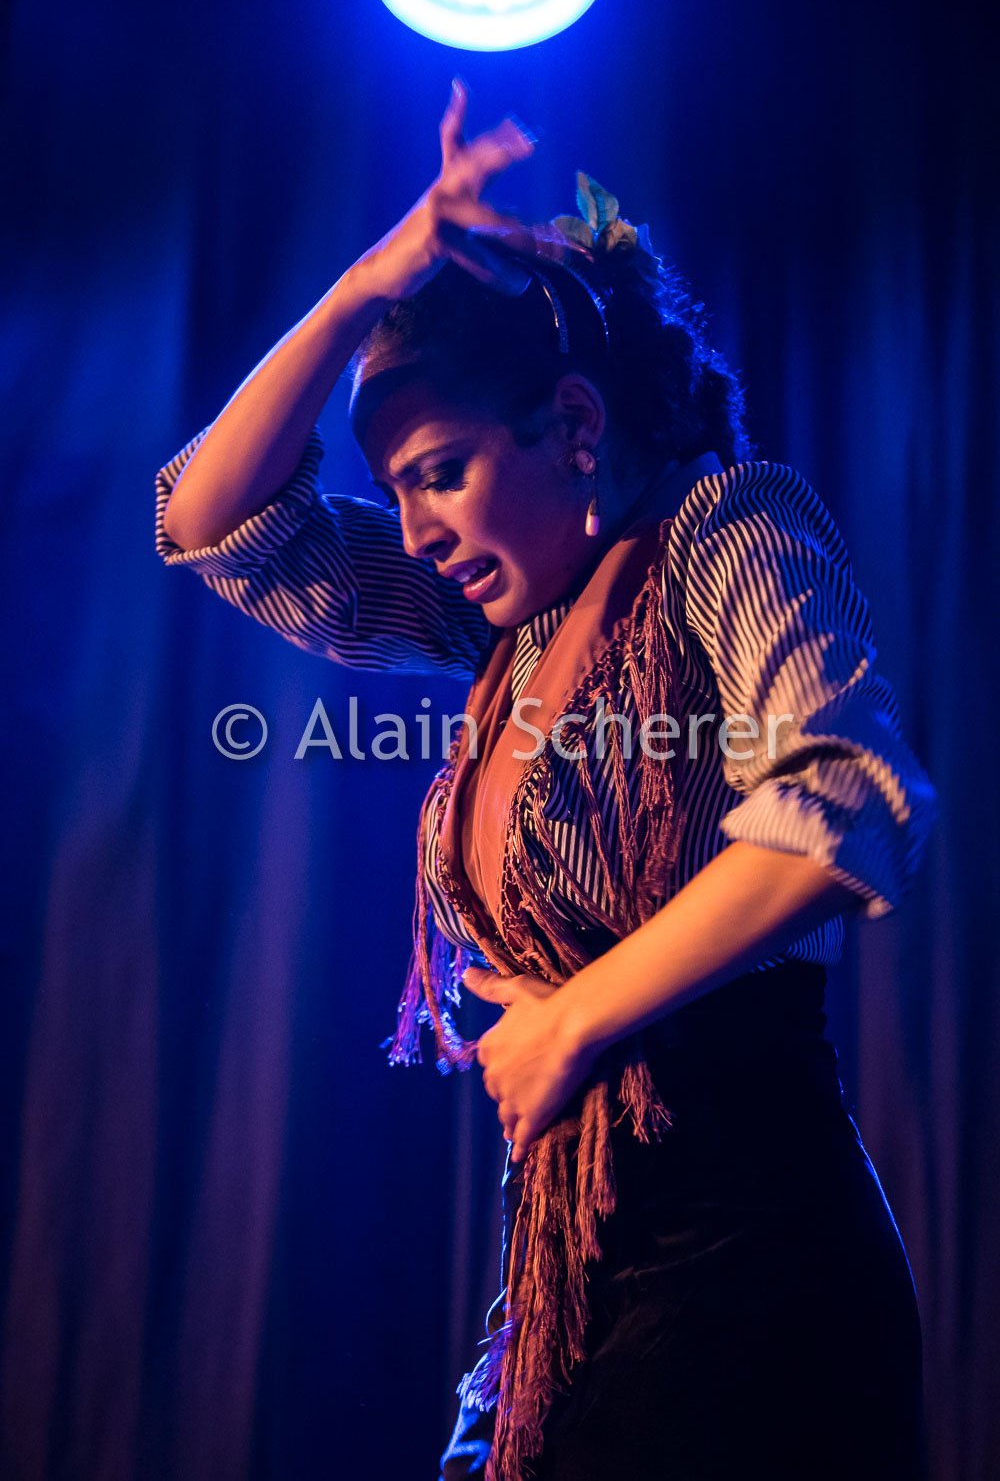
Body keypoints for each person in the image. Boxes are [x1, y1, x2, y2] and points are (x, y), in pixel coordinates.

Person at [155, 82, 937, 1481]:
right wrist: (359, 292)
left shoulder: (723, 532)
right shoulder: (509, 631)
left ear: (575, 423)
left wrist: (575, 1016)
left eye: (441, 472)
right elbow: (222, 526)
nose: (413, 529)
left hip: (752, 1263)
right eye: (397, 489)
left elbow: (852, 799)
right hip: (572, 1269)